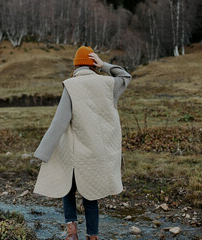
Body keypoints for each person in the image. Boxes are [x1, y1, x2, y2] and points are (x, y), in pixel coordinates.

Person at [33, 46, 132, 240]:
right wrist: (105, 65)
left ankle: (72, 234)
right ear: (93, 64)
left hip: (76, 153)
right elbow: (125, 76)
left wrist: (43, 152)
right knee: (91, 196)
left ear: (75, 65)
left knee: (67, 189)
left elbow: (60, 121)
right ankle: (92, 237)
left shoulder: (71, 85)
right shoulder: (108, 84)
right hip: (97, 153)